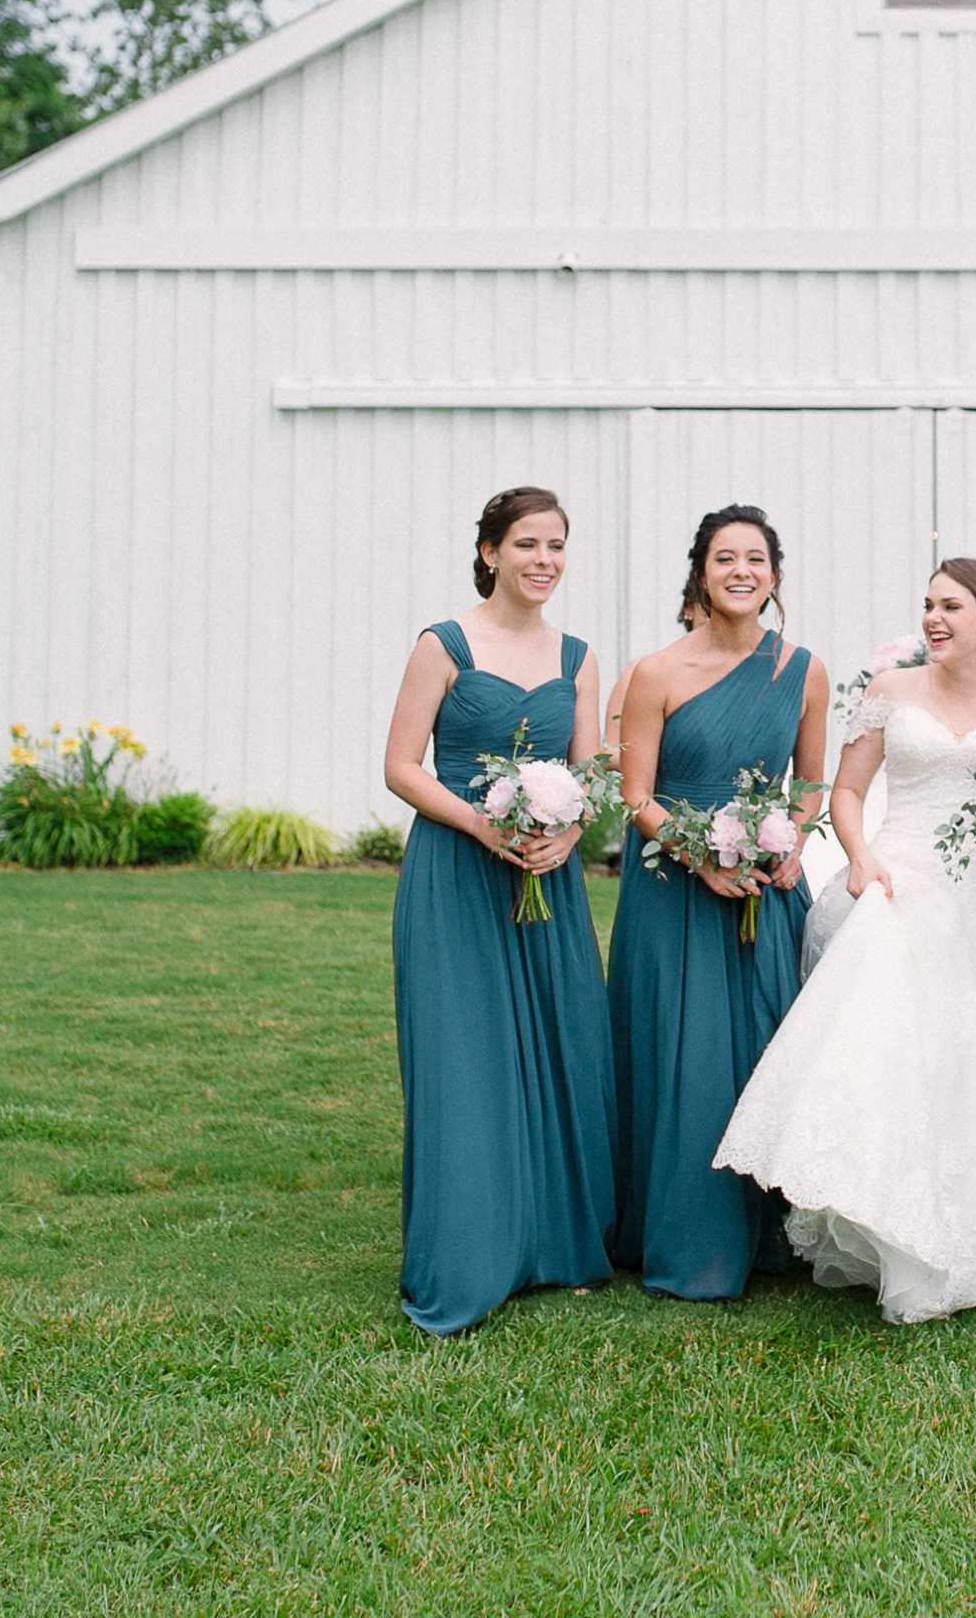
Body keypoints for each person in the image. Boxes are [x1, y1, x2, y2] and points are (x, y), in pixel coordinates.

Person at [713, 558, 976, 1322]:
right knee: (892, 1054)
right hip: (901, 885)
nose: (933, 619)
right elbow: (846, 789)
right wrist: (861, 857)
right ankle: (897, 1220)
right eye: (927, 605)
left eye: (950, 607)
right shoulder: (891, 691)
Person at [384, 485, 614, 1336]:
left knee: (559, 1051)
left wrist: (571, 830)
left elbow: (590, 774)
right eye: (525, 544)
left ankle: (553, 1245)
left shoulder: (579, 657)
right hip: (455, 870)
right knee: (465, 1060)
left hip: (544, 875)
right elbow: (402, 766)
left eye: (555, 544)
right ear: (489, 553)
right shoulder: (443, 644)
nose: (542, 560)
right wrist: (483, 825)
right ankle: (468, 1255)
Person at [607, 506, 828, 1300]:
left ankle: (771, 1232)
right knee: (685, 1059)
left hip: (765, 890)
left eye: (756, 559)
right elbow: (633, 796)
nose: (742, 571)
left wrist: (791, 841)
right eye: (725, 558)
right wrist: (702, 856)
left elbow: (808, 784)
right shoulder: (655, 673)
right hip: (674, 888)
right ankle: (682, 1233)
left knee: (765, 1051)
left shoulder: (804, 669)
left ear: (774, 574)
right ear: (701, 571)